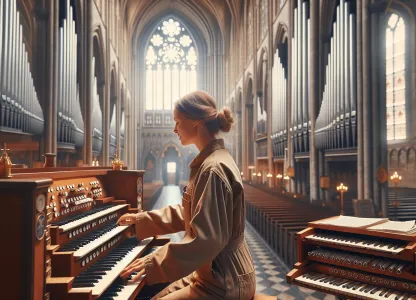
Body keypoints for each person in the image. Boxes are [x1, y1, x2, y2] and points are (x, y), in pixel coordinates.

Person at [117, 90, 256, 299]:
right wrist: (142, 221)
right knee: (150, 293)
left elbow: (206, 240)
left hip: (225, 280)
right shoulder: (211, 161)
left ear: (194, 123)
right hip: (213, 272)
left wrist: (152, 262)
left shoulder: (213, 168)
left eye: (177, 122)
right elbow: (191, 214)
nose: (174, 129)